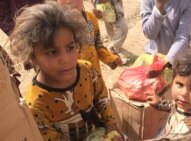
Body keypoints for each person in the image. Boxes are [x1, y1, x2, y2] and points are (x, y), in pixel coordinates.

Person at [9, 1, 123, 140]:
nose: (66, 59)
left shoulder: (87, 69)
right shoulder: (36, 105)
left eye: (70, 48)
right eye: (52, 52)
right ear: (32, 57)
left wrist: (111, 125)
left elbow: (101, 97)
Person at [57, 0, 122, 73]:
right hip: (74, 79)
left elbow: (96, 44)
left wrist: (110, 58)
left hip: (94, 72)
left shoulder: (90, 19)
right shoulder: (55, 29)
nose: (69, 1)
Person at [140, 0, 191, 67]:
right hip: (153, 56)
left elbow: (183, 36)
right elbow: (149, 34)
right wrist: (159, 6)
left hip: (179, 59)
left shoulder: (189, 2)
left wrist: (167, 61)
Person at [84, 0, 128, 64]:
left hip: (108, 9)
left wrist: (93, 7)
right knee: (123, 30)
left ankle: (114, 50)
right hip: (107, 8)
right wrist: (93, 8)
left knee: (111, 29)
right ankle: (111, 49)